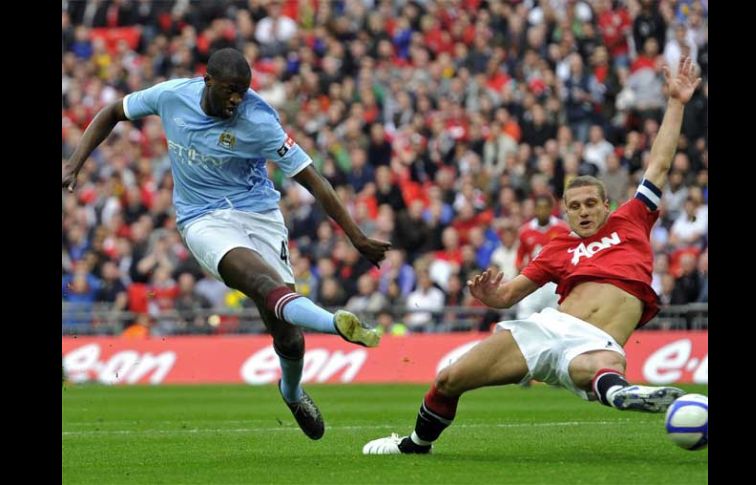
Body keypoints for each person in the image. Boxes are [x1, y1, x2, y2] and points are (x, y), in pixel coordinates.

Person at [363, 56, 701, 455]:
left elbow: (659, 163)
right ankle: (415, 444)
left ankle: (625, 393)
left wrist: (676, 102)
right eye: (574, 206)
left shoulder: (633, 217)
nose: (584, 211)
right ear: (565, 210)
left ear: (607, 204)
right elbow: (510, 296)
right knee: (450, 378)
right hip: (547, 329)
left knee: (602, 372)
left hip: (596, 341)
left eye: (591, 203)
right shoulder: (557, 246)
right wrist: (492, 297)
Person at [62, 48, 391, 441]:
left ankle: (291, 391)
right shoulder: (171, 96)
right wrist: (74, 163)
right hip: (202, 219)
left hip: (260, 216)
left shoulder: (260, 120)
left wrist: (356, 237)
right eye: (231, 91)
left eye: (244, 91)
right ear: (208, 82)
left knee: (285, 331)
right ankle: (335, 322)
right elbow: (112, 111)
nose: (237, 99)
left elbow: (314, 179)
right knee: (261, 286)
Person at [514, 194, 571, 319]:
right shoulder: (525, 231)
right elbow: (519, 256)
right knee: (525, 316)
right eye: (539, 208)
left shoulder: (562, 229)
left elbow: (569, 255)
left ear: (551, 209)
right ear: (534, 209)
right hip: (532, 280)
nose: (542, 211)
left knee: (554, 319)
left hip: (554, 282)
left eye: (545, 207)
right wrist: (521, 271)